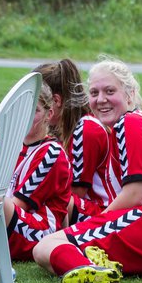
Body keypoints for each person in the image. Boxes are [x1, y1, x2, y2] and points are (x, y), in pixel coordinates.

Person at [32, 57, 142, 283]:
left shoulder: (131, 123)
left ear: (129, 94)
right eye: (94, 93)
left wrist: (97, 223)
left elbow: (136, 195)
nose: (101, 99)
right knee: (50, 247)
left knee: (46, 247)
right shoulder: (127, 126)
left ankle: (89, 270)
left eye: (109, 91)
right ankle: (92, 262)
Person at [3, 84, 73, 262]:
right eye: (21, 109)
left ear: (49, 115)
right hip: (9, 219)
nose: (24, 117)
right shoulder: (12, 145)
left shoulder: (51, 153)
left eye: (34, 111)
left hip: (38, 231)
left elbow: (18, 205)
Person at [35, 59, 109, 221]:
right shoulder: (60, 127)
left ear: (55, 101)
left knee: (40, 197)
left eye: (35, 105)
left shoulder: (87, 129)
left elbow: (77, 192)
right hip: (77, 204)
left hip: (100, 210)